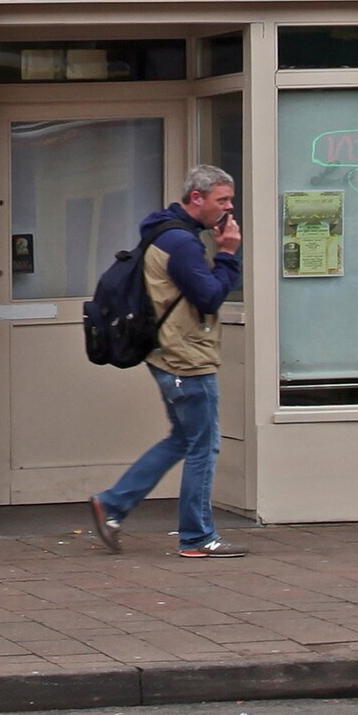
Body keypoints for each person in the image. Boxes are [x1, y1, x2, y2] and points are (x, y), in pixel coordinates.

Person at [91, 164, 247, 558]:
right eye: (222, 200)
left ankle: (112, 505)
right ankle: (197, 537)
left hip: (165, 354)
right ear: (197, 198)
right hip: (187, 359)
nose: (229, 208)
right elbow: (209, 297)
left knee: (182, 439)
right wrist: (227, 254)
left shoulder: (164, 232)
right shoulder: (182, 244)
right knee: (203, 447)